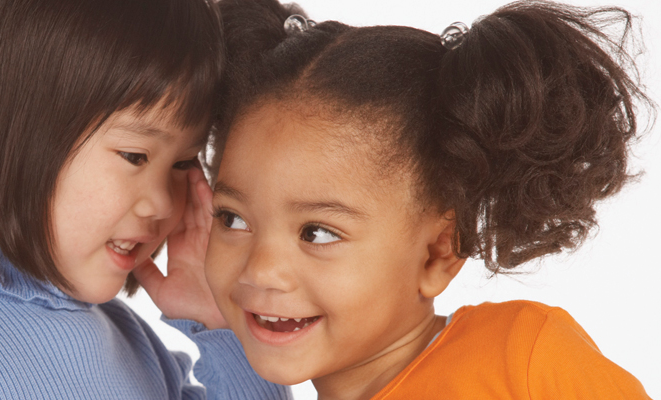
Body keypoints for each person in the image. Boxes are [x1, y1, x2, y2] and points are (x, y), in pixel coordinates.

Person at [202, 0, 654, 398]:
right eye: (232, 219)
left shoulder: (522, 358)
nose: (260, 269)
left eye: (316, 232)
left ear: (437, 254)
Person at [0, 0, 292, 399]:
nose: (164, 205)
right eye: (135, 156)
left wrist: (217, 320)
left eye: (184, 163)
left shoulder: (135, 348)